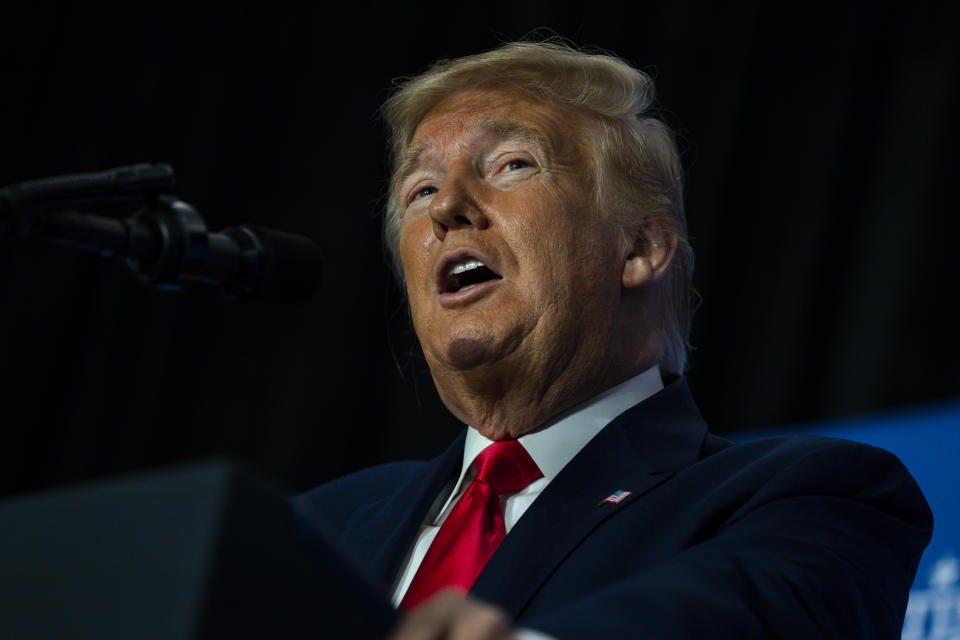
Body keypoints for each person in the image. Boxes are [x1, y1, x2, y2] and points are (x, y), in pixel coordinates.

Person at [296, 40, 932, 639]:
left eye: (512, 164)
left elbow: (740, 612)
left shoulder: (810, 494)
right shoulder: (311, 528)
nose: (446, 208)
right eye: (421, 189)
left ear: (641, 248)